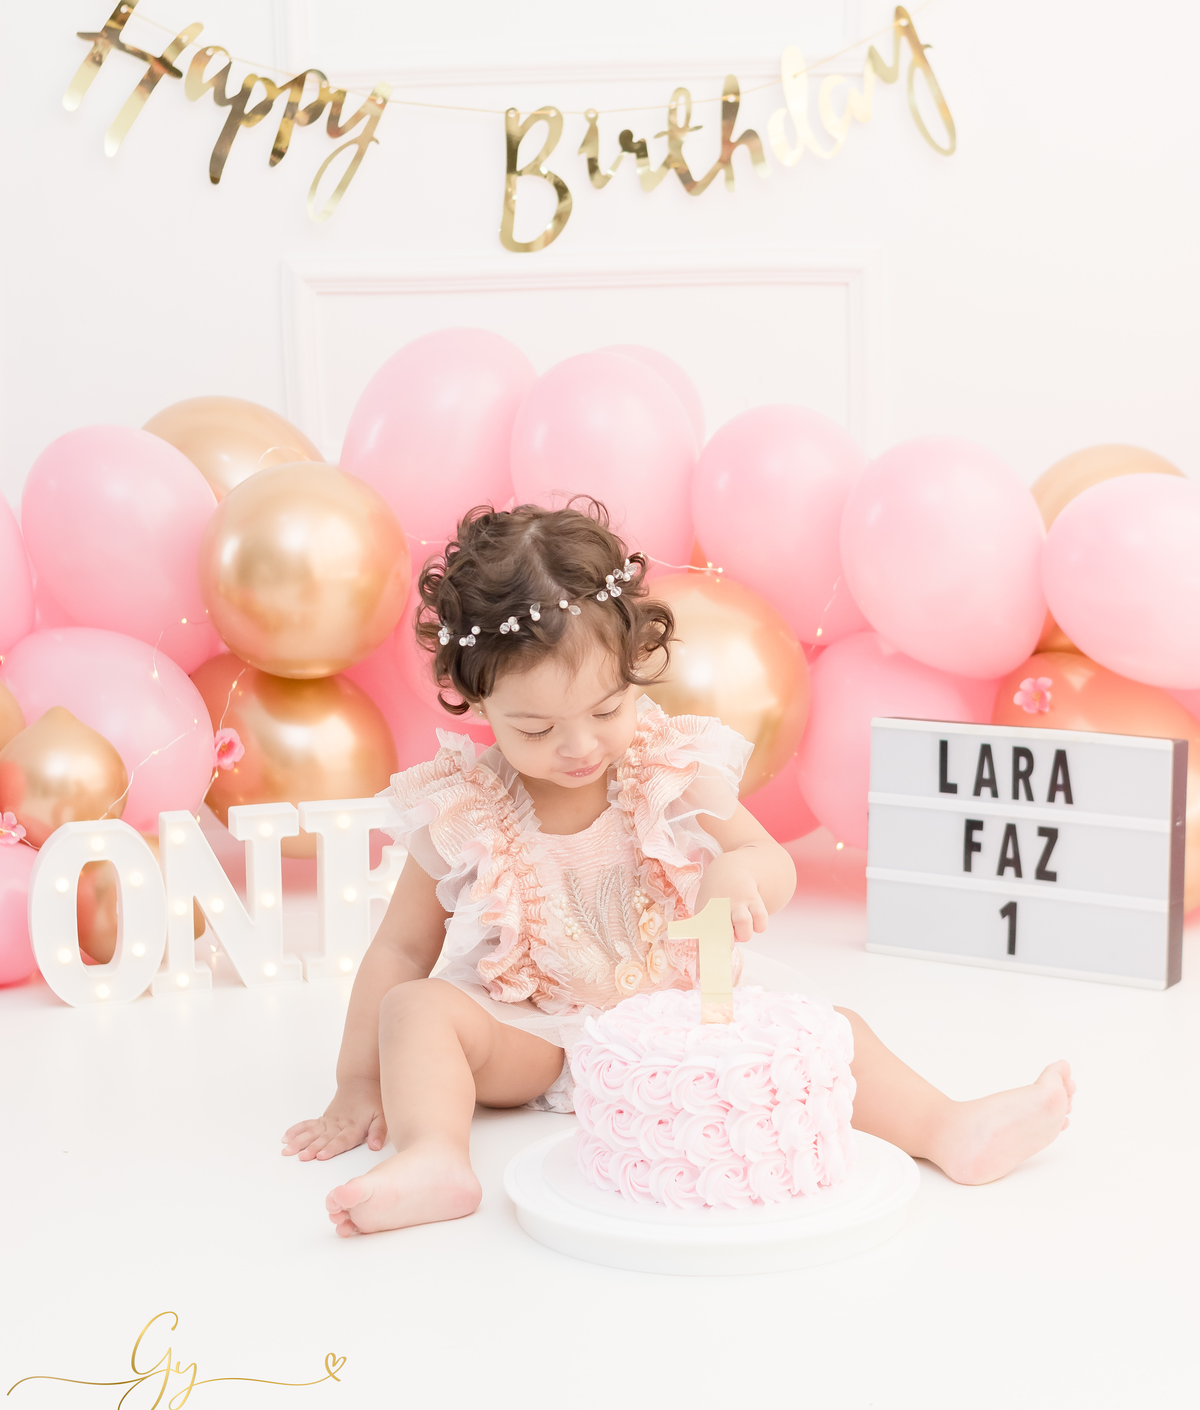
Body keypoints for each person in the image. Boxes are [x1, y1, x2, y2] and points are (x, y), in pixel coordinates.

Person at [282, 502, 1074, 1237]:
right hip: (533, 1033)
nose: (579, 746)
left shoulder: (662, 766)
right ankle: (433, 1157)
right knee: (416, 1010)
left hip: (684, 1010)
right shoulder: (465, 809)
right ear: (477, 701)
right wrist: (358, 1082)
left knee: (831, 1031)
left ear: (635, 667)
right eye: (536, 728)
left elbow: (768, 859)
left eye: (605, 710)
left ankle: (946, 1127)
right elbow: (398, 951)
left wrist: (742, 877)